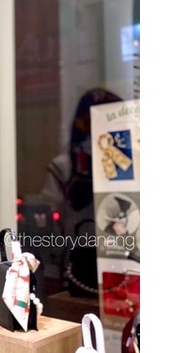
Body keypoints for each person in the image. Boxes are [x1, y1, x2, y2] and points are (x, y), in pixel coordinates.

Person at [41, 87, 122, 296]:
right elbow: (53, 226)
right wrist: (52, 273)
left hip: (122, 260)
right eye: (89, 123)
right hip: (76, 265)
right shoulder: (64, 167)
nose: (97, 131)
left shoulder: (128, 167)